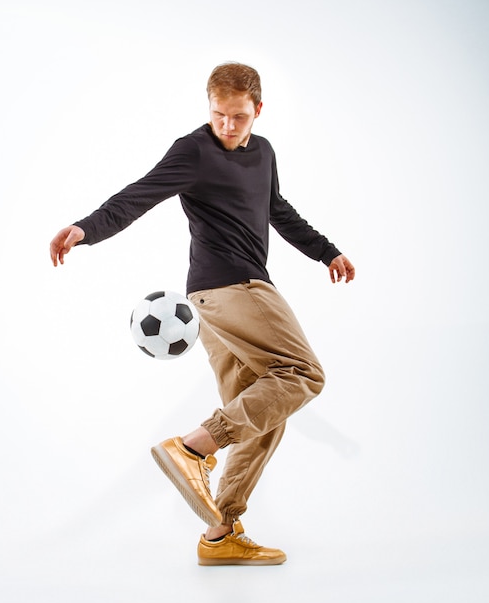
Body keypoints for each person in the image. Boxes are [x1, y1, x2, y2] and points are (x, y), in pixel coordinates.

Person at [50, 62, 355, 566]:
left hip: (218, 302)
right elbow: (138, 195)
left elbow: (276, 209)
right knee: (302, 374)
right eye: (219, 115)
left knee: (263, 414)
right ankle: (192, 449)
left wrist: (326, 251)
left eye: (238, 117)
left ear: (258, 110)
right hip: (233, 287)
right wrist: (87, 229)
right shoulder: (194, 149)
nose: (228, 127)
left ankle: (221, 532)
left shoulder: (265, 153)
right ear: (208, 108)